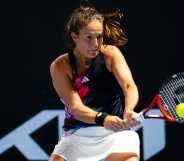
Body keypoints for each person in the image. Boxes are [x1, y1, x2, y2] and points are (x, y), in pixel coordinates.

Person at [49, 2, 140, 161]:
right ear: (74, 36)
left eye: (99, 37)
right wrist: (103, 118)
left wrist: (129, 110)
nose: (96, 44)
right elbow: (76, 108)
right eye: (89, 37)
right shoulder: (60, 66)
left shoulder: (110, 54)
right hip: (77, 135)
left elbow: (128, 85)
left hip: (115, 133)